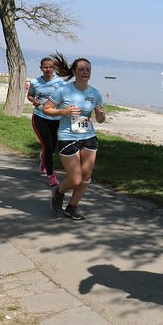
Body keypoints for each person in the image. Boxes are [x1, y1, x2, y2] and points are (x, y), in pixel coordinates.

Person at [42, 53, 105, 220]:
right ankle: (59, 191)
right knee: (75, 179)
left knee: (86, 177)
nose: (85, 72)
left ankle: (72, 207)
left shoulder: (96, 93)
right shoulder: (63, 90)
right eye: (82, 69)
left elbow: (100, 120)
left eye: (88, 69)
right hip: (67, 136)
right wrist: (64, 111)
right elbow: (46, 109)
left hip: (89, 136)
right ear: (75, 72)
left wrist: (100, 113)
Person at [27, 56, 64, 186]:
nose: (48, 70)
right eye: (45, 67)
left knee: (52, 147)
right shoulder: (35, 82)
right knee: (48, 146)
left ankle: (43, 159)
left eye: (50, 67)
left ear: (54, 68)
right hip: (40, 117)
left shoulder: (61, 83)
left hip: (57, 118)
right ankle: (51, 176)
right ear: (41, 68)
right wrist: (34, 101)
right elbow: (30, 96)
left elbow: (66, 97)